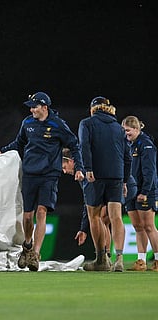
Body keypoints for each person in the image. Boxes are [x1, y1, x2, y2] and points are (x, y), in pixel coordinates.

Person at [0, 92, 84, 271]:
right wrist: (2, 151)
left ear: (45, 107)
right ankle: (27, 245)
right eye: (31, 107)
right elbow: (19, 143)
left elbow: (74, 145)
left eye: (35, 106)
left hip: (49, 175)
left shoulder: (58, 125)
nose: (32, 110)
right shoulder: (27, 123)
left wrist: (79, 168)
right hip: (30, 174)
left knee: (41, 213)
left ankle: (35, 253)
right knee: (27, 216)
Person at [78, 96, 131, 272]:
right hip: (116, 176)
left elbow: (84, 146)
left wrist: (88, 168)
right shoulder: (118, 128)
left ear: (93, 109)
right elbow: (127, 156)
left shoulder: (87, 123)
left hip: (96, 175)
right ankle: (120, 259)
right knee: (116, 216)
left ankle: (101, 259)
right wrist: (124, 180)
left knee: (95, 216)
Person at [63, 148, 137, 262]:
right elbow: (88, 202)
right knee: (103, 217)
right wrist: (83, 228)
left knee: (104, 217)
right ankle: (107, 257)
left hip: (123, 187)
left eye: (64, 167)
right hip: (114, 187)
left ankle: (107, 257)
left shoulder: (86, 168)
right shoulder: (81, 174)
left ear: (71, 161)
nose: (64, 171)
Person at [122, 115, 158, 271]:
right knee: (137, 226)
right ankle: (141, 261)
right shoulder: (128, 145)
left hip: (145, 191)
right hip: (131, 191)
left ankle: (157, 260)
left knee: (149, 226)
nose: (126, 134)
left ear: (136, 129)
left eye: (128, 131)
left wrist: (145, 191)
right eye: (124, 131)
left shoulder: (146, 145)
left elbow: (150, 171)